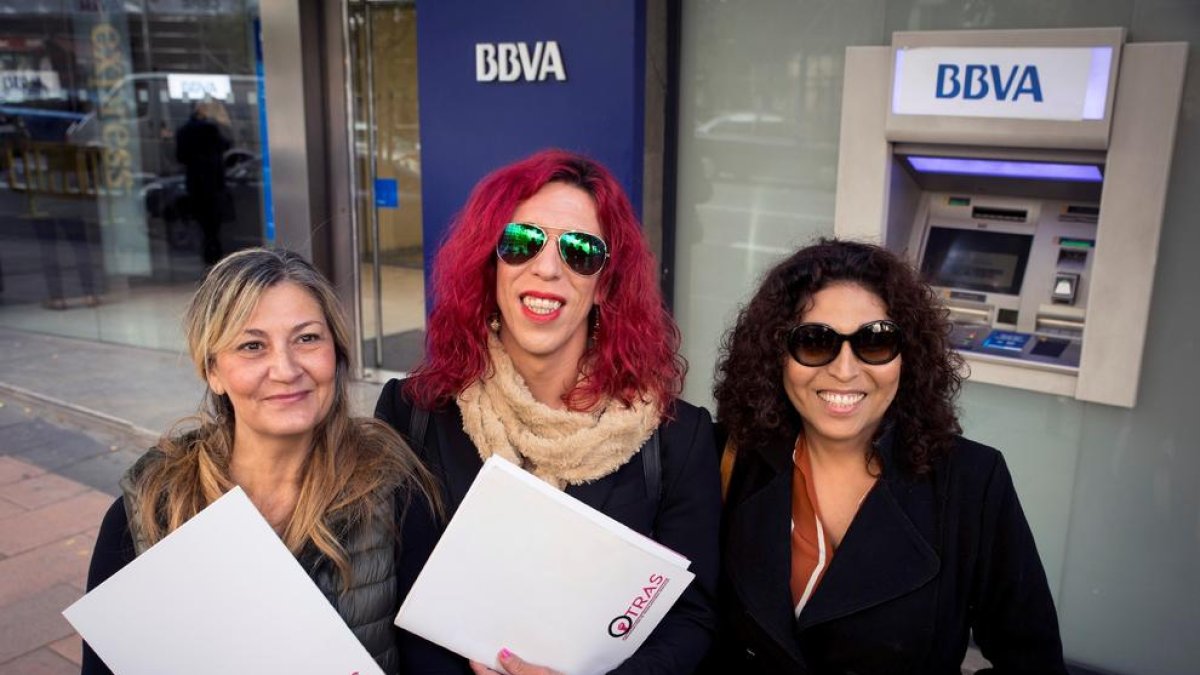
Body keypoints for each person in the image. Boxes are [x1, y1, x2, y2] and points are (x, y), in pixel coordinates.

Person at [375, 149, 721, 675]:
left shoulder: (676, 437)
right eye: (521, 242)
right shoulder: (415, 412)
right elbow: (393, 600)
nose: (546, 267)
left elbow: (691, 621)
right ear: (490, 263)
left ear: (605, 282)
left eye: (581, 251)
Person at [81, 248, 454, 674]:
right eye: (252, 345)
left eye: (307, 338)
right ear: (213, 371)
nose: (285, 368)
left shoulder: (397, 493)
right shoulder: (148, 508)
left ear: (337, 353)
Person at [707, 239, 1066, 674]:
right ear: (776, 356)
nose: (844, 369)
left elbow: (1032, 661)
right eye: (814, 341)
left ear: (907, 356)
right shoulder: (728, 458)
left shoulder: (972, 482)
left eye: (875, 341)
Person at [175, 99, 231, 266]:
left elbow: (180, 157)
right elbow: (227, 144)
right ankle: (214, 262)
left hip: (197, 186)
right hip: (211, 186)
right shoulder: (210, 129)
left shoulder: (184, 130)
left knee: (206, 230)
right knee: (213, 230)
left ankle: (210, 263)